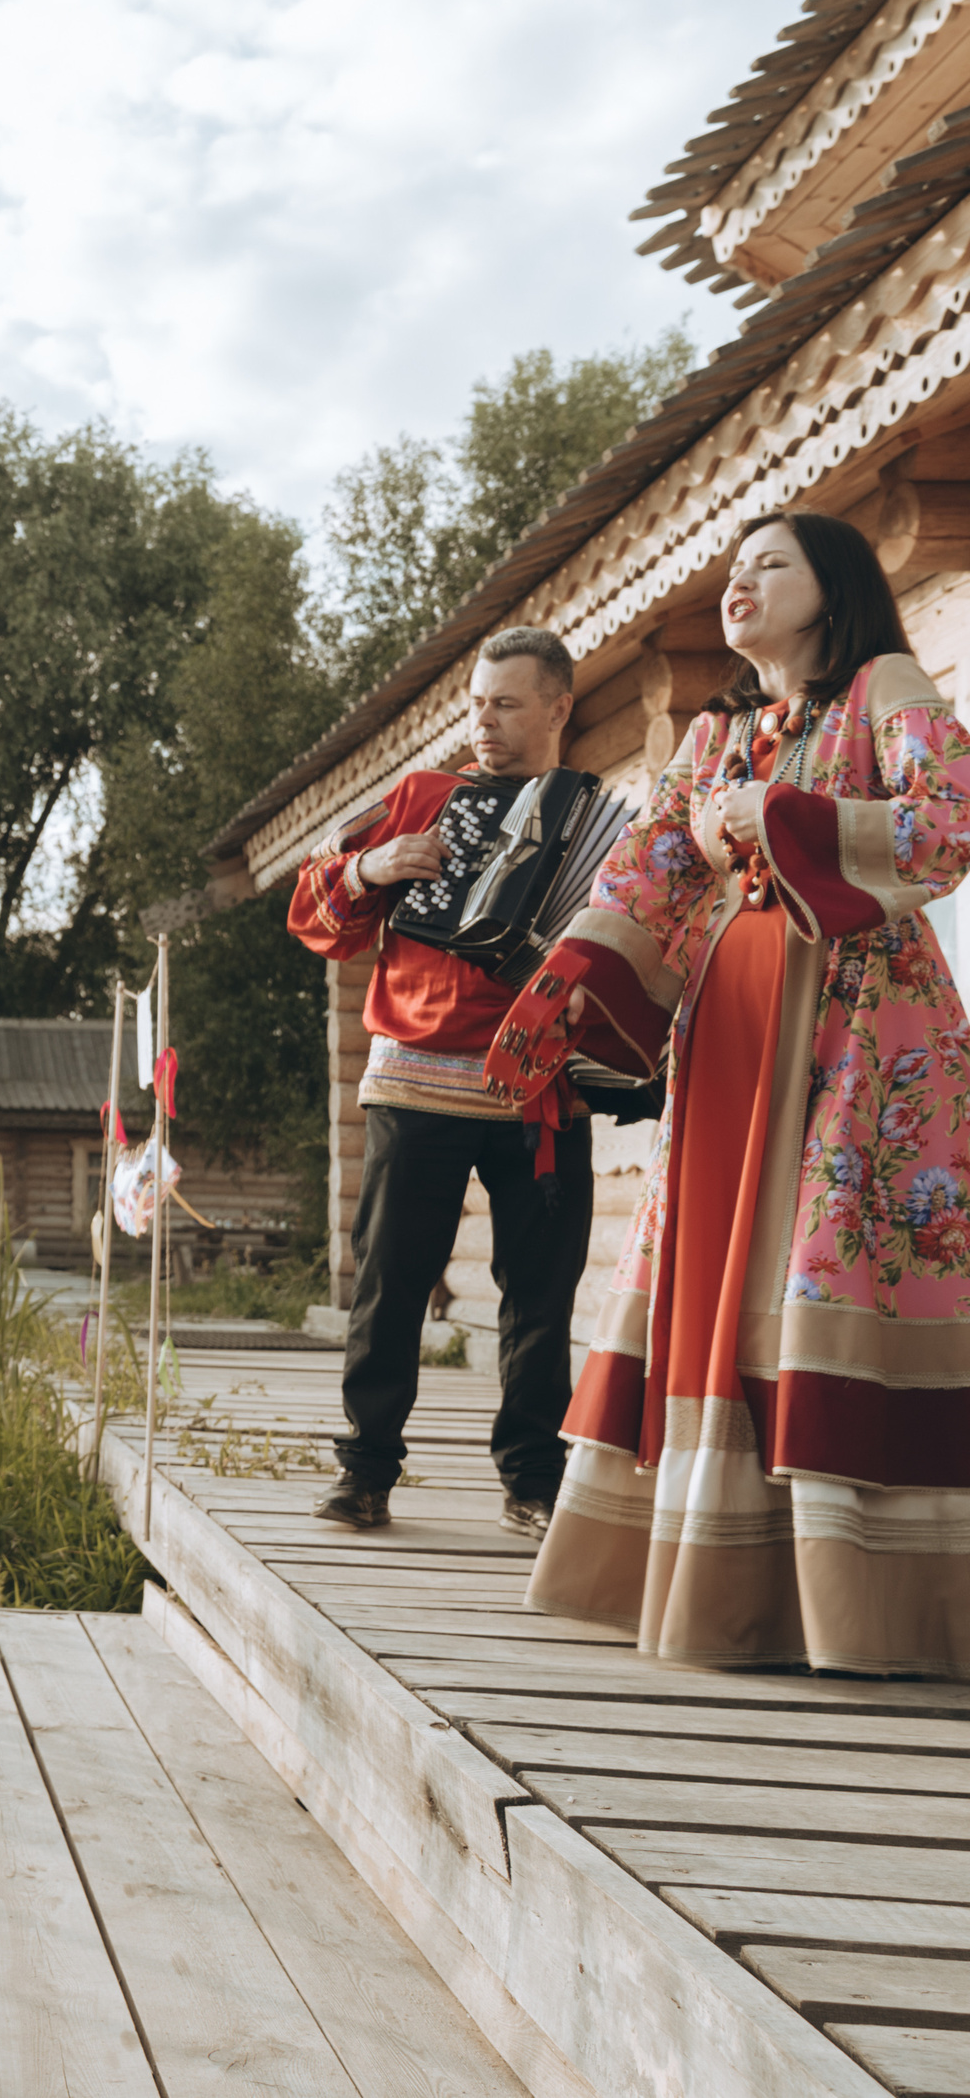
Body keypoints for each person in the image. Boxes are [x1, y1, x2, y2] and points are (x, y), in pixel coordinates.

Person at [521, 511, 970, 1677]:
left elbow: (949, 818)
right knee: (714, 1267)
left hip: (856, 1020)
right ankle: (707, 1576)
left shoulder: (883, 686)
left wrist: (780, 813)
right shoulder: (714, 730)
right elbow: (649, 866)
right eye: (732, 568)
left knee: (819, 1263)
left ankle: (843, 1599)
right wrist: (569, 976)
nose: (741, 582)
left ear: (834, 586)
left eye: (771, 564)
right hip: (730, 1020)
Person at [289, 626, 595, 1538]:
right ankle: (365, 1472)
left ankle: (533, 1484)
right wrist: (370, 866)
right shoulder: (421, 797)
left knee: (541, 1292)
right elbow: (312, 909)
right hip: (417, 1078)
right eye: (476, 704)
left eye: (506, 704)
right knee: (392, 1282)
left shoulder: (598, 824)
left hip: (542, 1088)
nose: (483, 723)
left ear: (558, 709)